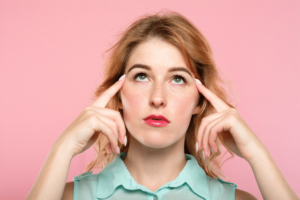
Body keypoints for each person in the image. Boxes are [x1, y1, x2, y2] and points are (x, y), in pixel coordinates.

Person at [25, 11, 299, 200]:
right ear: (118, 95)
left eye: (177, 79)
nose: (158, 98)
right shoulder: (71, 197)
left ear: (199, 101)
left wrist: (257, 154)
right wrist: (61, 149)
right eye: (141, 76)